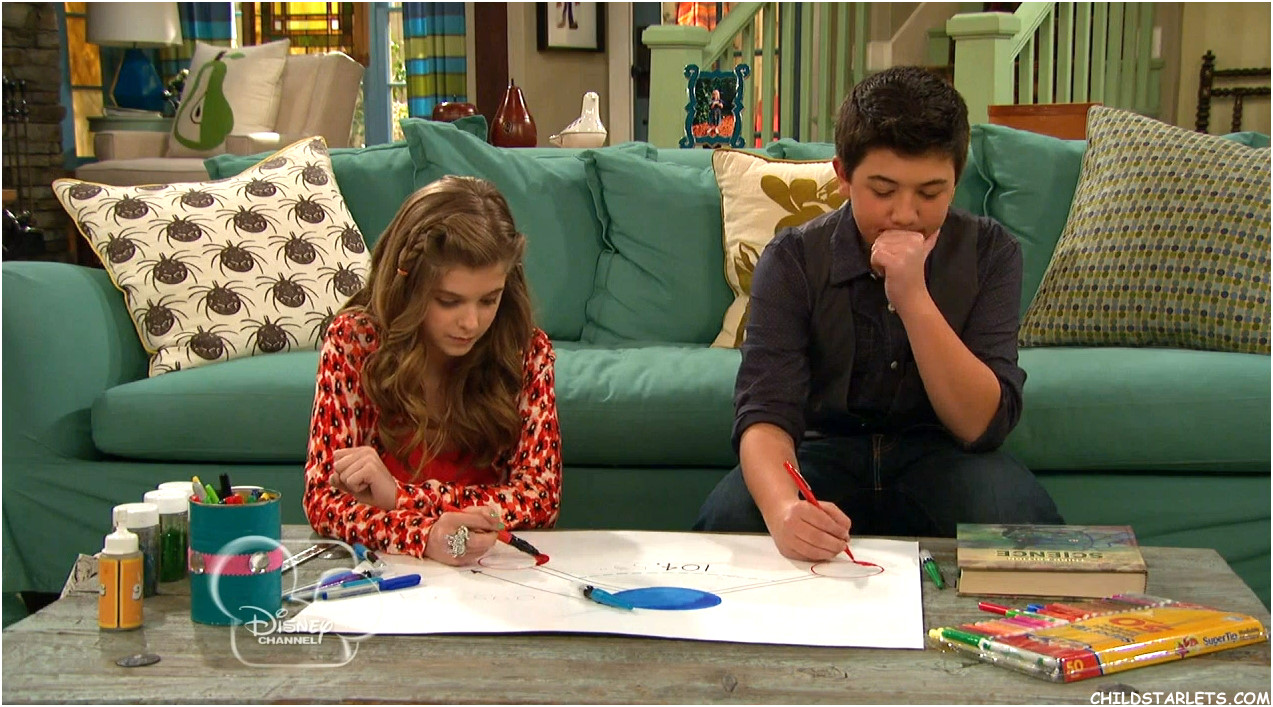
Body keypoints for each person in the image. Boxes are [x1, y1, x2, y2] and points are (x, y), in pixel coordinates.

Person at [694, 66, 1063, 561]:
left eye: (930, 193)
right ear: (843, 175)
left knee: (1024, 526)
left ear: (956, 181)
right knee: (729, 521)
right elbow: (765, 412)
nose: (905, 214)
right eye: (883, 191)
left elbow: (979, 425)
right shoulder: (792, 259)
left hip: (946, 454)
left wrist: (913, 296)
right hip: (819, 451)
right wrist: (784, 512)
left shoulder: (991, 252)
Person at [303, 176, 561, 567]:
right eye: (448, 301)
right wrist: (425, 535)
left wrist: (398, 498)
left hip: (493, 570)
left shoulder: (525, 350)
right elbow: (323, 499)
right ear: (408, 287)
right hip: (393, 575)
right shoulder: (355, 342)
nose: (471, 323)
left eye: (489, 300)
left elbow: (540, 499)